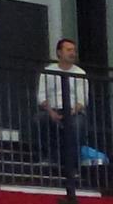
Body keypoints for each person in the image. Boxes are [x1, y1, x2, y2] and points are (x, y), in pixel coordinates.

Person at [37, 37, 90, 178]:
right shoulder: (48, 71)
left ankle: (72, 165)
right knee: (40, 119)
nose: (72, 53)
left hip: (73, 111)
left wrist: (70, 112)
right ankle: (48, 157)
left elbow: (82, 99)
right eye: (69, 50)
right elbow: (41, 96)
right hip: (52, 109)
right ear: (59, 53)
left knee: (77, 125)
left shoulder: (80, 73)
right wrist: (51, 112)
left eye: (74, 50)